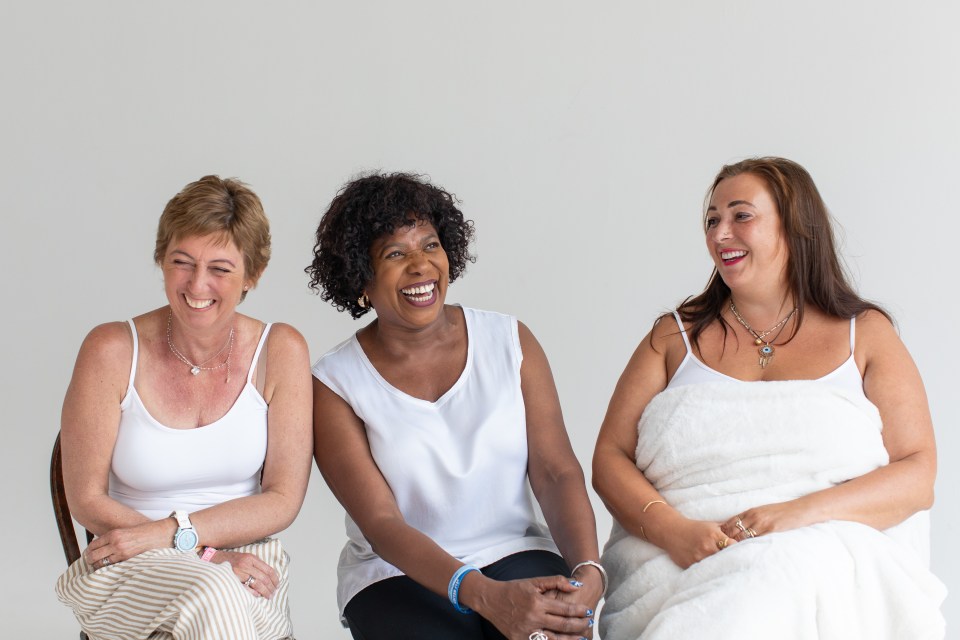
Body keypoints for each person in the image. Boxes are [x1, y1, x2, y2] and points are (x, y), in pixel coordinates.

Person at [592, 157, 947, 639]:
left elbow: (916, 474)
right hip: (679, 557)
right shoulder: (674, 337)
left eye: (742, 215)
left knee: (780, 571)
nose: (720, 234)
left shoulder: (864, 335)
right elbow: (610, 458)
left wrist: (791, 516)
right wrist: (675, 532)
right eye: (712, 219)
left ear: (796, 227)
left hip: (824, 552)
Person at [306, 172, 604, 640]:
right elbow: (382, 525)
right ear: (361, 278)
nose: (421, 266)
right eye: (395, 254)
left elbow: (556, 471)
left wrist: (589, 571)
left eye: (430, 245)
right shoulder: (334, 383)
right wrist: (484, 595)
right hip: (395, 573)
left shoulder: (509, 341)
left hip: (514, 551)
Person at [56, 175, 313, 640]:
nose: (198, 284)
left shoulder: (281, 350)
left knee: (223, 597)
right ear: (161, 260)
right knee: (216, 592)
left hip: (250, 559)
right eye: (182, 262)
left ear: (252, 274)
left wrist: (177, 535)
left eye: (220, 268)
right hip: (131, 560)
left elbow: (283, 498)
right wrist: (200, 553)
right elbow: (87, 499)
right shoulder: (110, 349)